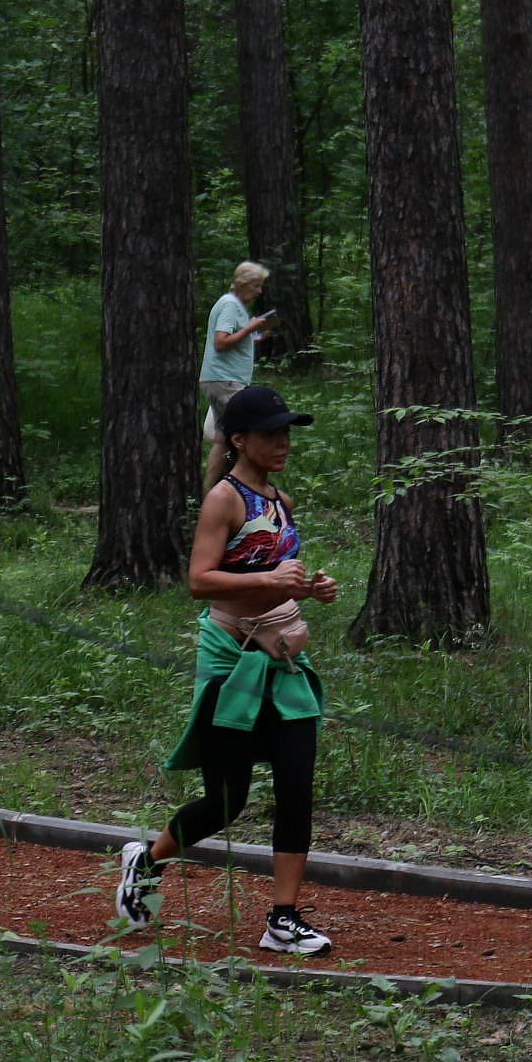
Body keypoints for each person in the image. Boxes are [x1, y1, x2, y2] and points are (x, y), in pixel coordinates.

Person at [115, 384, 340, 955]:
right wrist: (271, 582)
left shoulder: (280, 500)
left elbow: (273, 569)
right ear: (238, 440)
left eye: (287, 431)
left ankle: (282, 919)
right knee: (226, 800)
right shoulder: (225, 498)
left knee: (296, 787)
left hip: (283, 656)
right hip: (229, 662)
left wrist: (311, 589)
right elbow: (199, 581)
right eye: (271, 433)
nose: (283, 441)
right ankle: (148, 857)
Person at [199, 261, 273, 494]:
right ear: (243, 283)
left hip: (221, 378)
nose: (259, 291)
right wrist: (250, 329)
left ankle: (209, 493)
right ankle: (247, 490)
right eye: (256, 285)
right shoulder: (230, 305)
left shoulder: (235, 305)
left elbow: (233, 339)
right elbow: (221, 342)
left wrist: (255, 336)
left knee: (223, 438)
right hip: (226, 380)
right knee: (248, 433)